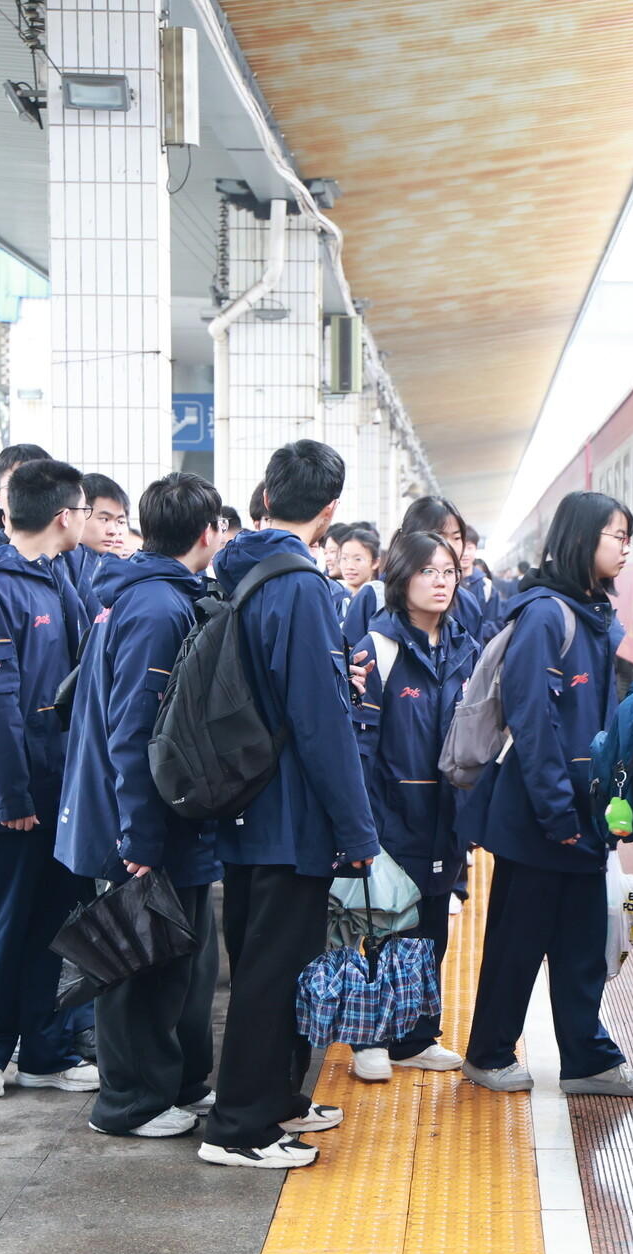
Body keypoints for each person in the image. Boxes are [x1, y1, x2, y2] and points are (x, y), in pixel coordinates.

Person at [201, 439, 379, 1172]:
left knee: (261, 963)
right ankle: (238, 1127)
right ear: (330, 513)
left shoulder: (239, 571)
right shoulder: (301, 586)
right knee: (274, 974)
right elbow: (318, 719)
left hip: (244, 801)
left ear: (267, 495)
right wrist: (357, 826)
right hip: (289, 817)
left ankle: (276, 1099)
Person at [460, 491, 633, 1098]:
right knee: (518, 943)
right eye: (616, 536)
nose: (625, 547)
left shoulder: (588, 612)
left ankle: (586, 1058)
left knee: (578, 943)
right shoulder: (549, 616)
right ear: (582, 539)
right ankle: (489, 1053)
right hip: (541, 814)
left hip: (579, 809)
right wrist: (557, 813)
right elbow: (532, 719)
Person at [56, 473, 226, 1139]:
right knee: (139, 962)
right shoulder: (157, 607)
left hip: (156, 817)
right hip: (144, 820)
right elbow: (133, 732)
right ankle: (129, 1103)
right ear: (207, 533)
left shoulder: (152, 594)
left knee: (178, 959)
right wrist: (139, 840)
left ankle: (176, 1083)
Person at [0, 459, 97, 1101]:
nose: (87, 520)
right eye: (86, 509)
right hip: (6, 797)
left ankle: (45, 1049)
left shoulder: (52, 575)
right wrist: (11, 796)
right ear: (64, 515)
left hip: (56, 789)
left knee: (50, 924)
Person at [345, 531, 480, 1084]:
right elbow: (360, 745)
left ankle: (415, 1037)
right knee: (383, 927)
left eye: (448, 571)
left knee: (431, 928)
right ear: (401, 579)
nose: (441, 581)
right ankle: (368, 1039)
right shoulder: (378, 648)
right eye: (428, 571)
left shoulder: (466, 649)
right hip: (391, 810)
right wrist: (363, 825)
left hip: (445, 814)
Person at [342, 497, 485, 643]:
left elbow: (476, 663)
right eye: (438, 536)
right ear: (410, 538)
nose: (449, 546)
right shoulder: (375, 597)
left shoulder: (467, 604)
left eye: (456, 537)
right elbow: (349, 657)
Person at [65, 472, 129, 616]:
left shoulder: (122, 568)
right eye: (104, 519)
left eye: (120, 521)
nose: (113, 531)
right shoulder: (62, 562)